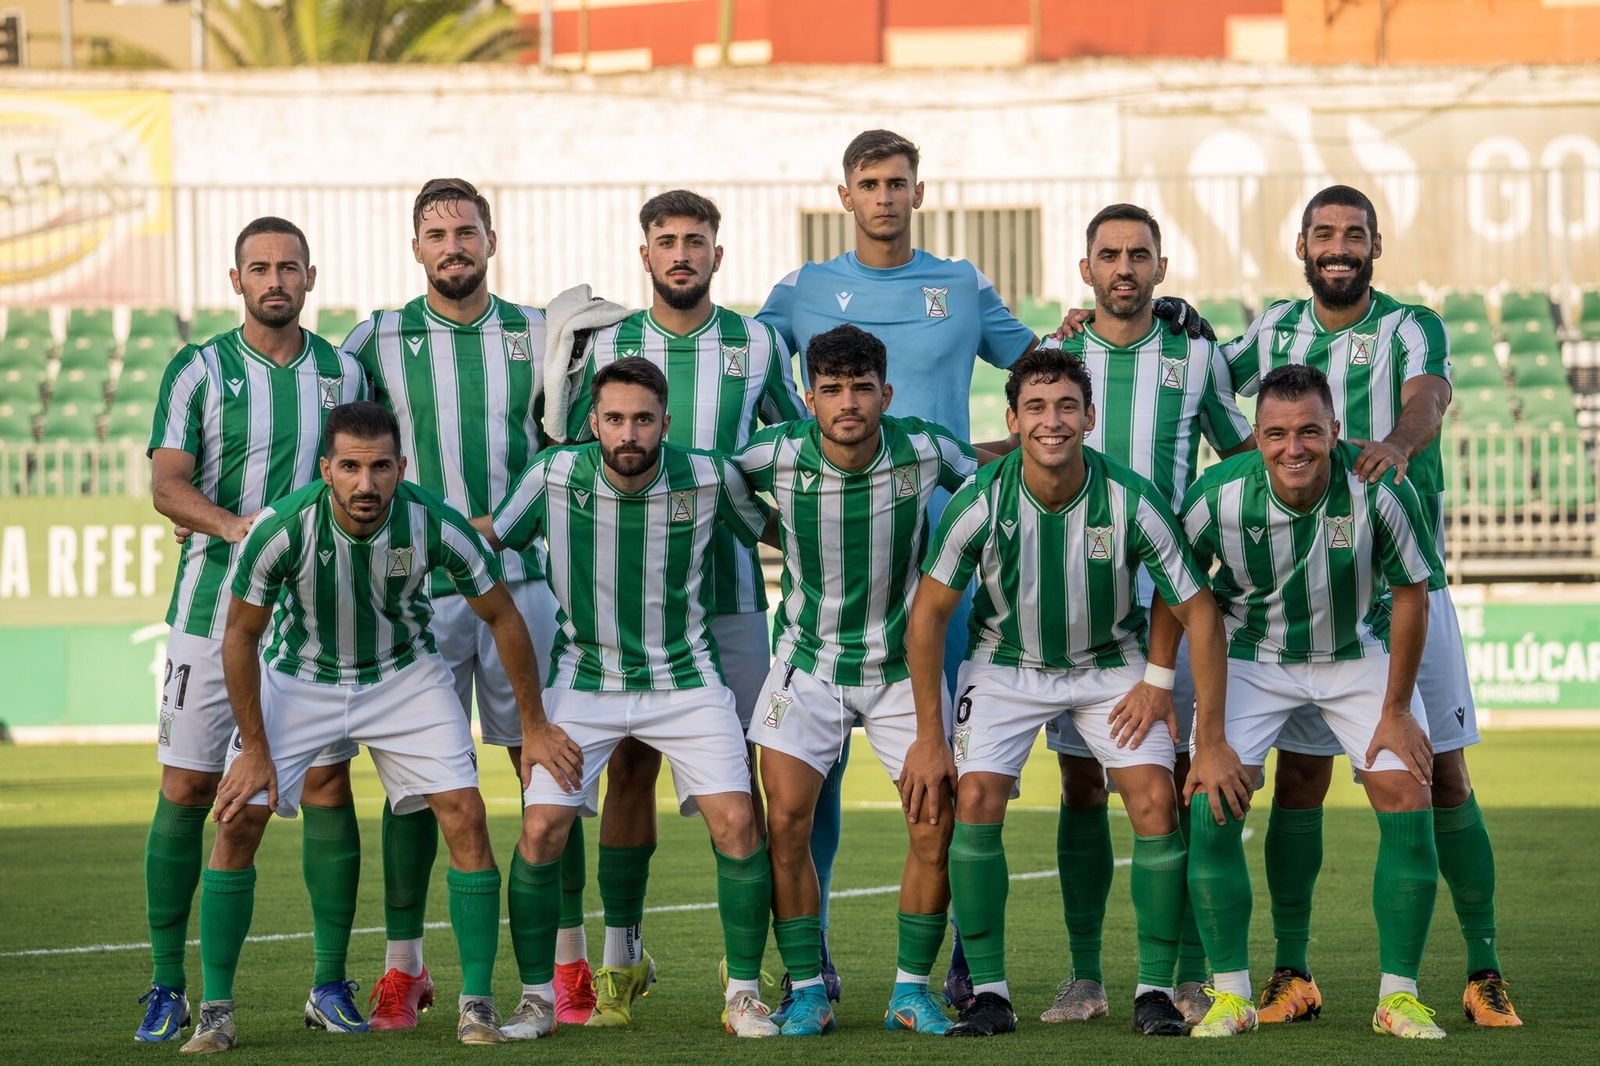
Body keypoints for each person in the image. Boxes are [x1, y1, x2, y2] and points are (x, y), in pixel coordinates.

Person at [758, 128, 1209, 1007]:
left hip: (958, 560)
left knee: (952, 775)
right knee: (807, 781)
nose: (885, 196)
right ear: (844, 194)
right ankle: (809, 967)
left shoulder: (961, 285)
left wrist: (1159, 315)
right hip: (842, 565)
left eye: (898, 182)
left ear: (919, 192)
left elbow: (1049, 362)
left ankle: (968, 961)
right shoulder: (802, 291)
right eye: (869, 183)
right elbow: (751, 372)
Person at [1222, 185, 1519, 1027]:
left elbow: (1428, 396)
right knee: (1302, 782)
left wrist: (1397, 440)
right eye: (1324, 234)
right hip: (1305, 596)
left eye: (1354, 234)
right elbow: (1206, 375)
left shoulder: (1412, 324)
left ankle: (1484, 969)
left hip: (1403, 588)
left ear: (1375, 246)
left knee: (1445, 773)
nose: (1339, 247)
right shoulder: (1274, 327)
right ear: (1303, 246)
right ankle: (1292, 971)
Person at [180, 401, 554, 1051]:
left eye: (380, 466)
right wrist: (255, 750)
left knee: (465, 815)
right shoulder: (281, 529)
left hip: (404, 678)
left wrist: (536, 724)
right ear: (326, 469)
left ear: (400, 467)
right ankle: (215, 1010)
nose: (365, 482)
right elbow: (239, 637)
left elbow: (503, 615)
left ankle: (475, 1006)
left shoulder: (434, 521)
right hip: (300, 679)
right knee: (239, 816)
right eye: (350, 466)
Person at [900, 347, 1230, 1038]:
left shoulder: (1130, 498)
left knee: (1153, 798)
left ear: (1089, 416)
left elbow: (1199, 610)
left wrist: (1198, 724)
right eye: (1037, 408)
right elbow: (927, 616)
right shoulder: (979, 501)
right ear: (1014, 419)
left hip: (1111, 664)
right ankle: (988, 993)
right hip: (1004, 665)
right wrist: (930, 739)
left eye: (1066, 407)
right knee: (975, 796)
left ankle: (1153, 992)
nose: (1052, 421)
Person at [340, 178, 587, 1027]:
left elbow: (575, 449)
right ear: (415, 247)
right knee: (415, 785)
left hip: (526, 583)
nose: (453, 245)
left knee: (547, 770)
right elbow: (338, 452)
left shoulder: (537, 334)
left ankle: (568, 965)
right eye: (437, 233)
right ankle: (404, 967)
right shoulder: (375, 337)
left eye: (467, 231)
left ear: (492, 240)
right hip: (416, 593)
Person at [474, 357, 781, 1039]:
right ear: (593, 424)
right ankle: (535, 1002)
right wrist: (405, 527)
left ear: (665, 423)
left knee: (738, 823)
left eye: (643, 419)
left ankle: (742, 995)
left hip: (687, 681)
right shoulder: (554, 475)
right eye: (614, 419)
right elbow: (489, 533)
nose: (629, 432)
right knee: (541, 830)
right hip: (583, 682)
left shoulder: (706, 475)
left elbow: (774, 531)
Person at [560, 189, 804, 1022]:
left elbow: (796, 445)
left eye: (695, 241)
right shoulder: (610, 344)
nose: (681, 255)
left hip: (732, 598)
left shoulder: (758, 343)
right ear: (645, 255)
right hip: (626, 606)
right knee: (629, 764)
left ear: (717, 255)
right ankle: (622, 955)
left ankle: (760, 972)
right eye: (666, 241)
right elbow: (573, 457)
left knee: (743, 785)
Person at [138, 217, 367, 1043]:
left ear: (312, 277)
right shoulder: (196, 370)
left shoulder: (344, 371)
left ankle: (330, 984)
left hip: (312, 619)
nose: (276, 280)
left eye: (290, 268)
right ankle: (169, 987)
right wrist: (233, 526)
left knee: (327, 786)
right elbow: (168, 484)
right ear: (235, 280)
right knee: (190, 790)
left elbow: (366, 472)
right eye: (259, 268)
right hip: (209, 613)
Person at [1182, 363, 1447, 1040]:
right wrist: (1185, 712)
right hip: (1252, 657)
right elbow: (1175, 594)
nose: (1292, 448)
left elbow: (1413, 595)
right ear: (1255, 437)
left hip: (1354, 655)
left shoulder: (1378, 487)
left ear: (1335, 430)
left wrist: (1394, 712)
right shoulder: (1217, 495)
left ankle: (1398, 998)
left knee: (1406, 789)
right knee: (1213, 795)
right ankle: (1232, 996)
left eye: (1308, 431)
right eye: (1275, 434)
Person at [1035, 204, 1253, 1025]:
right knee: (1081, 784)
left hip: (1168, 599)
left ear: (1161, 271)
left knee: (1186, 781)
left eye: (1139, 256)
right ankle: (1085, 976)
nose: (1124, 268)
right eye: (1109, 255)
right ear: (1085, 268)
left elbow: (1242, 456)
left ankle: (1191, 972)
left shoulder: (1197, 359)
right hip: (1078, 609)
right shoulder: (1053, 357)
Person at [734, 324, 978, 1037]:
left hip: (904, 667)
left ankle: (910, 988)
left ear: (885, 393)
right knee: (785, 826)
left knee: (935, 824)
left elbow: (998, 481)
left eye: (862, 389)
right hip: (806, 667)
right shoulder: (772, 454)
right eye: (832, 390)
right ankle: (808, 988)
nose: (848, 403)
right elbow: (707, 482)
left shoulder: (926, 448)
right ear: (808, 396)